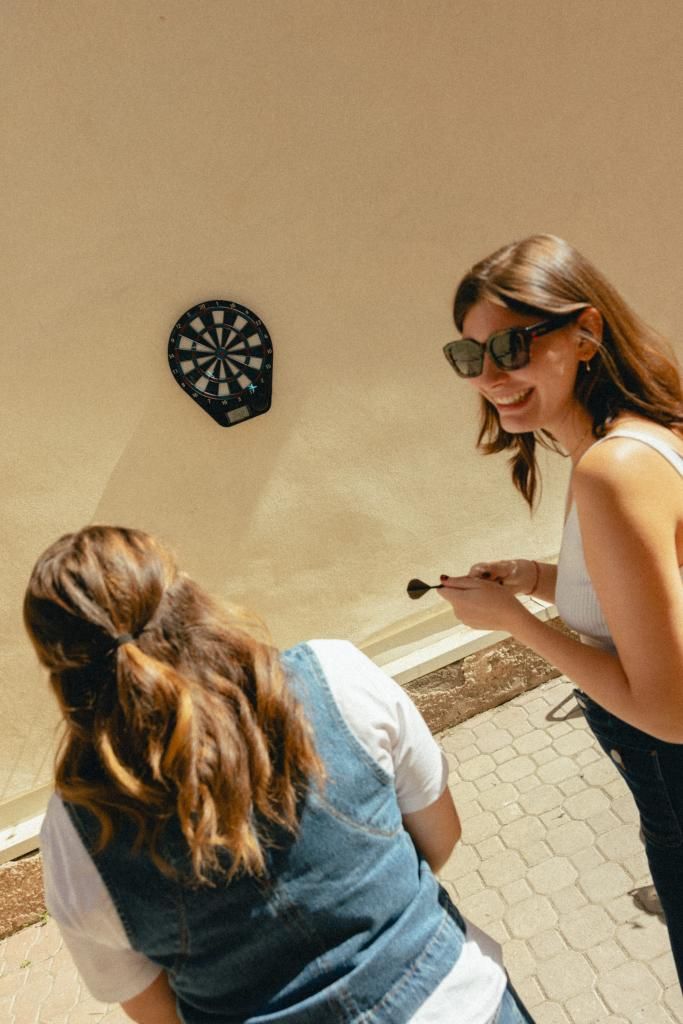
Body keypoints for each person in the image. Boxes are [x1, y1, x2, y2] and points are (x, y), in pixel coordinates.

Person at [25, 525, 533, 1024]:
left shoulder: (72, 834)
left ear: (62, 672)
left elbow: (155, 1012)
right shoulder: (336, 675)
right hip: (459, 1002)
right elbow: (441, 834)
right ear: (184, 599)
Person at [437, 233, 683, 986]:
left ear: (584, 333)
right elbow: (636, 601)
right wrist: (537, 578)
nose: (491, 376)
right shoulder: (633, 440)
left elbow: (669, 711)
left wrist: (516, 625)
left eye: (511, 346)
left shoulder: (611, 469)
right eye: (470, 356)